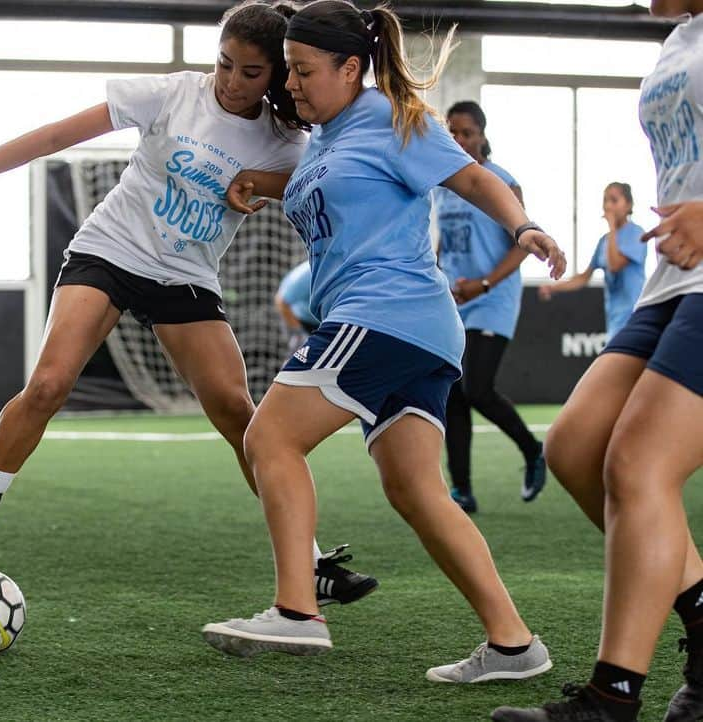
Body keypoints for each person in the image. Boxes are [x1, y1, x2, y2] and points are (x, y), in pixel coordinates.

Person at [0, 0, 376, 608]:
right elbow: (55, 135)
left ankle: (309, 562)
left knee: (241, 414)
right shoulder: (171, 94)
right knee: (48, 385)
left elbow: (330, 184)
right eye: (224, 64)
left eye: (250, 73)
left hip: (185, 276)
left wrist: (261, 185)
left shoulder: (286, 140)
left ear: (278, 75)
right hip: (109, 252)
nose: (232, 82)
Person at [200, 0, 565, 682]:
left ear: (351, 67)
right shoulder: (327, 140)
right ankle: (516, 645)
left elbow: (476, 178)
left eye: (305, 71)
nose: (293, 84)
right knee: (415, 489)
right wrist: (263, 183)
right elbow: (336, 188)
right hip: (413, 333)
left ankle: (297, 611)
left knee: (268, 438)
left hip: (384, 316)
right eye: (289, 72)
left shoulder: (393, 120)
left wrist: (522, 227)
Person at [491, 0, 703, 720]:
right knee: (577, 447)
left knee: (639, 464)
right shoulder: (681, 37)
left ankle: (611, 699)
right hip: (671, 280)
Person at [434, 100, 546, 515]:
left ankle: (534, 450)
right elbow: (444, 243)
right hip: (457, 301)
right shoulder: (445, 184)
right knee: (453, 395)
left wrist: (484, 284)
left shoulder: (502, 183)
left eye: (467, 132)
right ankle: (462, 490)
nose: (460, 140)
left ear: (482, 135)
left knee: (476, 387)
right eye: (453, 132)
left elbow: (525, 246)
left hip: (493, 299)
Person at [539, 182, 648, 337]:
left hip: (634, 317)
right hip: (614, 319)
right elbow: (584, 277)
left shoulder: (637, 234)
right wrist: (554, 287)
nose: (608, 206)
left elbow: (615, 265)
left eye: (614, 200)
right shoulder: (604, 241)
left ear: (628, 205)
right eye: (605, 200)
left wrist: (612, 228)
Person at [276, 260, 319, 356]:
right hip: (296, 318)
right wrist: (299, 332)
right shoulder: (309, 275)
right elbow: (281, 301)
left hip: (317, 322)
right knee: (300, 356)